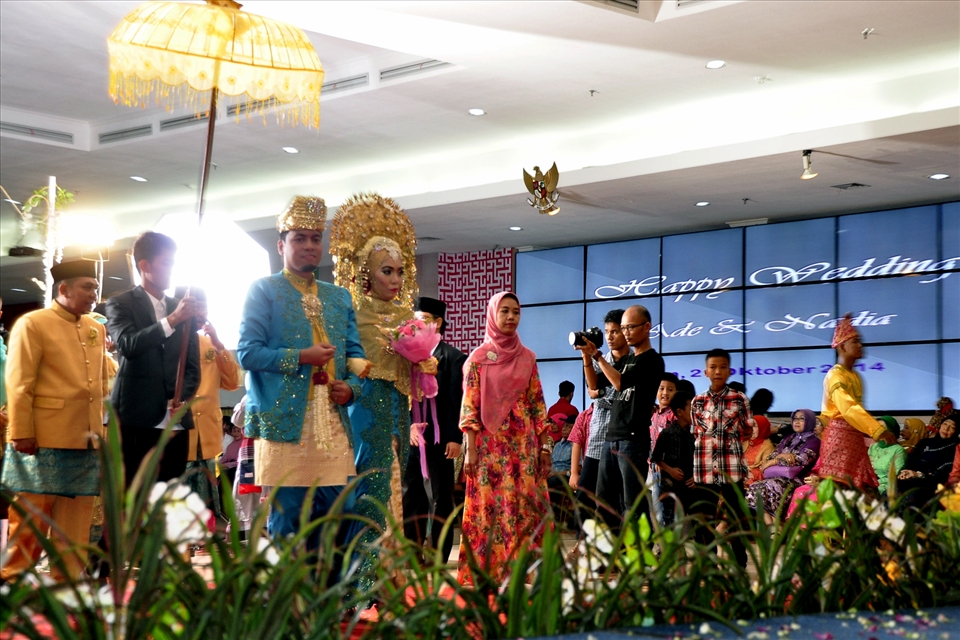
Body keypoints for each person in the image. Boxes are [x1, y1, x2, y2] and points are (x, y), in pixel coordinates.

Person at [237, 196, 367, 565]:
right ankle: (292, 602)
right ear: (282, 245)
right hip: (283, 421)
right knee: (291, 517)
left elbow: (355, 358)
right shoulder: (263, 290)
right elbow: (247, 353)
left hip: (333, 420)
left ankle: (331, 601)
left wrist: (351, 388)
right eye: (299, 238)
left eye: (315, 238)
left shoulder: (339, 297)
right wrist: (301, 358)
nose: (309, 245)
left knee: (339, 513)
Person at [330, 193, 426, 592]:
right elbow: (343, 362)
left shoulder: (407, 315)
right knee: (370, 482)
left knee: (394, 483)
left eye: (401, 272)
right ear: (368, 272)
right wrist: (364, 364)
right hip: (365, 403)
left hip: (396, 406)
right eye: (387, 271)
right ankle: (359, 578)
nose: (396, 280)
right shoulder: (352, 310)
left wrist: (420, 361)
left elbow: (414, 374)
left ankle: (388, 575)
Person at [1, 260, 110, 581]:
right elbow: (20, 382)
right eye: (86, 287)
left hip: (85, 440)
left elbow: (101, 387)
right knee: (30, 522)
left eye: (95, 287)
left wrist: (101, 433)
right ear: (63, 289)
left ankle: (69, 589)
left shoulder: (96, 328)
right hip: (40, 441)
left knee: (75, 527)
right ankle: (13, 585)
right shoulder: (33, 323)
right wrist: (21, 432)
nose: (94, 294)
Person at [459, 292, 551, 586]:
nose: (511, 317)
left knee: (524, 504)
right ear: (493, 315)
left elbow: (537, 403)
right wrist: (470, 450)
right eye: (505, 312)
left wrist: (545, 447)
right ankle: (489, 569)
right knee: (489, 505)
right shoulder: (478, 359)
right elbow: (470, 405)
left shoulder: (528, 358)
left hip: (523, 446)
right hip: (488, 446)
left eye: (516, 312)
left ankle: (526, 568)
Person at [105, 231, 200, 486]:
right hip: (136, 418)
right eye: (166, 263)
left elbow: (191, 366)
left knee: (172, 500)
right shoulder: (119, 304)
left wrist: (184, 398)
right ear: (145, 266)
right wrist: (172, 320)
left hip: (175, 420)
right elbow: (127, 345)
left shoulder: (181, 306)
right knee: (134, 498)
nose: (172, 270)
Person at [579, 305, 665, 530]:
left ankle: (638, 557)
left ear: (647, 327)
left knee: (632, 504)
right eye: (623, 328)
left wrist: (597, 355)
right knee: (604, 501)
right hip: (611, 437)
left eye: (630, 327)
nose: (626, 332)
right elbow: (595, 385)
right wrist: (586, 357)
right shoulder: (624, 361)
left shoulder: (652, 361)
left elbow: (619, 382)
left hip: (633, 440)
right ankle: (608, 557)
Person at [402, 296, 466, 565]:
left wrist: (455, 437)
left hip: (441, 441)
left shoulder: (453, 357)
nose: (418, 324)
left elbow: (458, 401)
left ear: (438, 322)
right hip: (414, 441)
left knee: (440, 498)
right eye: (415, 319)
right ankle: (412, 553)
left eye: (424, 319)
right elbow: (402, 396)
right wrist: (407, 430)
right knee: (410, 496)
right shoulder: (406, 357)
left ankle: (438, 555)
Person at [177, 287, 241, 526]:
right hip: (177, 433)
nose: (201, 312)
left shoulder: (210, 344)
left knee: (206, 499)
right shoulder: (165, 342)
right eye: (195, 306)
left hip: (206, 434)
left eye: (204, 307)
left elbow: (233, 382)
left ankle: (205, 541)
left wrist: (218, 344)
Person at [816, 314, 896, 492]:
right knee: (839, 492)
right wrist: (877, 430)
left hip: (853, 439)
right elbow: (848, 408)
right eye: (855, 342)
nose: (860, 345)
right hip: (838, 439)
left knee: (860, 491)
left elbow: (856, 410)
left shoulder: (855, 375)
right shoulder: (835, 375)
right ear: (842, 346)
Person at [690, 348, 754, 568]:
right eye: (713, 367)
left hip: (732, 468)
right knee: (704, 519)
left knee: (736, 518)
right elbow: (697, 434)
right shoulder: (697, 402)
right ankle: (705, 565)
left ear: (729, 371)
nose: (718, 371)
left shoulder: (739, 399)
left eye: (723, 367)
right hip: (704, 468)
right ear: (705, 371)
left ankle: (739, 562)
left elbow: (747, 431)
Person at [575, 309, 628, 519]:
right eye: (607, 331)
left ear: (626, 332)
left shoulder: (632, 362)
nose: (609, 336)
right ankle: (583, 543)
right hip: (596, 440)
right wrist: (585, 356)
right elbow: (593, 385)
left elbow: (614, 395)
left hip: (619, 442)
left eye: (615, 331)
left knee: (614, 503)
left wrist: (598, 394)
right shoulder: (600, 357)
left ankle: (615, 548)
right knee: (583, 499)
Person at [745, 409, 822, 525]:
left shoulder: (814, 441)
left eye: (802, 419)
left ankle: (776, 528)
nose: (797, 421)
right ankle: (772, 527)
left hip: (796, 479)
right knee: (755, 487)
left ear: (810, 421)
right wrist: (781, 457)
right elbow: (773, 455)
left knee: (767, 486)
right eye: (795, 418)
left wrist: (775, 461)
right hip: (776, 476)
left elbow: (802, 459)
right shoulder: (789, 438)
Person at [897, 412, 959, 510]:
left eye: (952, 427)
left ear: (957, 431)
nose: (946, 428)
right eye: (945, 424)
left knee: (914, 497)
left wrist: (919, 475)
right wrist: (904, 472)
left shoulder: (955, 448)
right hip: (911, 480)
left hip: (932, 486)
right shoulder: (925, 443)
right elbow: (910, 461)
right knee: (891, 492)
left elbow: (943, 475)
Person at [651, 391, 696, 526]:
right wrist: (670, 470)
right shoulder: (668, 433)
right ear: (680, 412)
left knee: (694, 519)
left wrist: (695, 477)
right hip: (671, 486)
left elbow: (698, 458)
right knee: (671, 520)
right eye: (691, 409)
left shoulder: (693, 433)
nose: (695, 412)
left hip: (690, 486)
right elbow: (656, 457)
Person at [649, 372, 679, 523]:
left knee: (667, 511)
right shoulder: (654, 415)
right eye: (661, 388)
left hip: (668, 469)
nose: (665, 393)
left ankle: (668, 545)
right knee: (656, 510)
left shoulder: (675, 415)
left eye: (670, 389)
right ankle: (662, 544)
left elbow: (675, 442)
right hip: (655, 469)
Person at [868, 416, 907, 497]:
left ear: (891, 431)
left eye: (882, 429)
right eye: (877, 428)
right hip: (869, 483)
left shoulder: (898, 450)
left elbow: (896, 476)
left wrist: (877, 483)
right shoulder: (873, 447)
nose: (879, 432)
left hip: (886, 487)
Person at [744, 415, 774, 485]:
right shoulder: (745, 441)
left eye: (754, 426)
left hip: (753, 479)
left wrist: (752, 473)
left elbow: (765, 470)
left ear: (762, 428)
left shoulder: (768, 447)